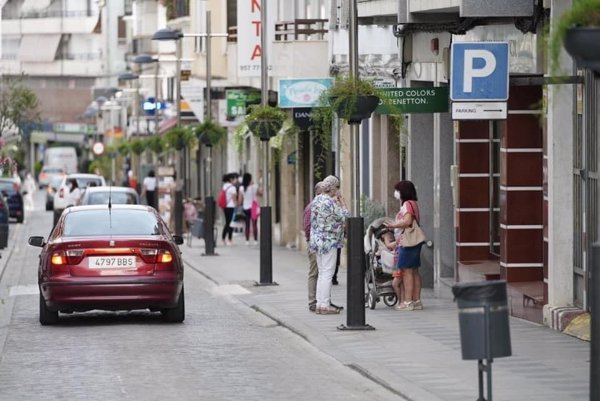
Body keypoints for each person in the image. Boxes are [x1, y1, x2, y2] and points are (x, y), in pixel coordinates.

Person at [309, 175, 349, 315]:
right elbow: (345, 217)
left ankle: (320, 303)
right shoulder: (330, 202)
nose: (338, 190)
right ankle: (325, 305)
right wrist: (343, 203)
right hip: (329, 241)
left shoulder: (316, 200)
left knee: (322, 272)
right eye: (337, 187)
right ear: (333, 188)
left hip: (317, 242)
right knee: (327, 273)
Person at [384, 180, 424, 311]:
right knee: (414, 271)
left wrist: (392, 225)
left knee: (407, 271)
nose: (396, 193)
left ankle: (407, 302)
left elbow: (407, 221)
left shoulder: (407, 204)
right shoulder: (414, 203)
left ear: (403, 191)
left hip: (407, 242)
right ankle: (416, 300)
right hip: (414, 242)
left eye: (397, 190)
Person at [304, 182, 324, 312]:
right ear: (318, 193)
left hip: (320, 243)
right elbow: (307, 227)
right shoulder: (312, 206)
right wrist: (310, 240)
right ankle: (312, 301)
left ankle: (322, 300)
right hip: (314, 243)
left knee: (323, 273)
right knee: (314, 272)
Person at [240, 173, 262, 245]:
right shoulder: (254, 187)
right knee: (254, 224)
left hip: (245, 207)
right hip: (253, 207)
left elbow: (240, 199)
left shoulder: (241, 188)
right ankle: (255, 240)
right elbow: (260, 194)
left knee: (247, 224)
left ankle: (247, 240)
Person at [221, 173, 239, 246]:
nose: (235, 180)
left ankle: (223, 238)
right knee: (231, 223)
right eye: (234, 179)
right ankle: (229, 239)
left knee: (227, 222)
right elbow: (234, 199)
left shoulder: (224, 186)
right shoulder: (232, 188)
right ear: (231, 179)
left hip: (225, 206)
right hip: (231, 206)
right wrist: (237, 205)